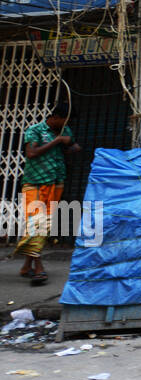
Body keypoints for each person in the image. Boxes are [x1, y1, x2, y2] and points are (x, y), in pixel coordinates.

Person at [13, 102, 81, 286]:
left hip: (55, 182)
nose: (65, 125)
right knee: (36, 224)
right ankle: (39, 269)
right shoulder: (35, 130)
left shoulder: (65, 131)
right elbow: (32, 153)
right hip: (34, 182)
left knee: (44, 225)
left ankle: (27, 266)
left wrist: (70, 147)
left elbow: (74, 148)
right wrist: (57, 141)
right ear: (56, 117)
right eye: (64, 120)